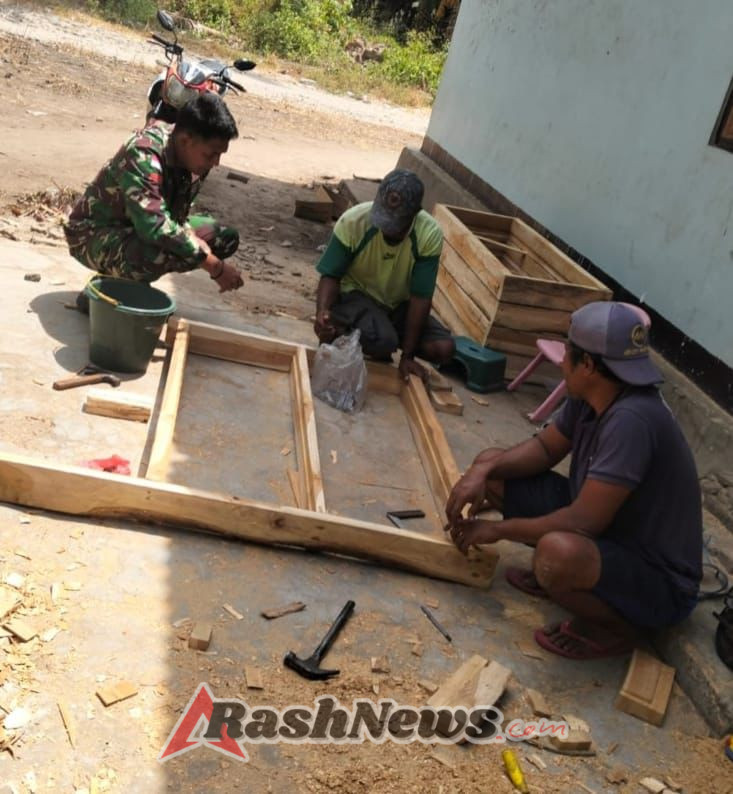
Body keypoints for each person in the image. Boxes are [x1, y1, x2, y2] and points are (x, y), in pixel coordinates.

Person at [445, 302, 703, 660]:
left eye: (568, 351)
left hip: (656, 579)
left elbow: (584, 521)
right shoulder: (592, 395)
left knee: (556, 554)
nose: (562, 359)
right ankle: (569, 581)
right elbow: (543, 450)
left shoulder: (633, 420)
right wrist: (480, 471)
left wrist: (497, 530)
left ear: (589, 365)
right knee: (494, 466)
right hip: (610, 533)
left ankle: (617, 628)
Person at [65, 92, 243, 311]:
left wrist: (194, 240)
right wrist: (213, 265)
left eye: (219, 155)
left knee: (223, 238)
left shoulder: (192, 158)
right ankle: (105, 293)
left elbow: (176, 217)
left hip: (137, 229)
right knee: (158, 253)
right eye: (211, 155)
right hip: (92, 234)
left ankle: (124, 284)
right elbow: (154, 226)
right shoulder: (143, 151)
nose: (216, 163)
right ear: (185, 141)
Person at [313, 169, 455, 381]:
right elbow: (330, 275)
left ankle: (375, 335)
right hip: (356, 295)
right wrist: (322, 313)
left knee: (443, 349)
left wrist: (408, 356)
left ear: (415, 214)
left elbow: (420, 298)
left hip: (397, 304)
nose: (387, 230)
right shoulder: (353, 221)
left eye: (395, 224)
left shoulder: (429, 234)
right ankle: (338, 329)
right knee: (384, 342)